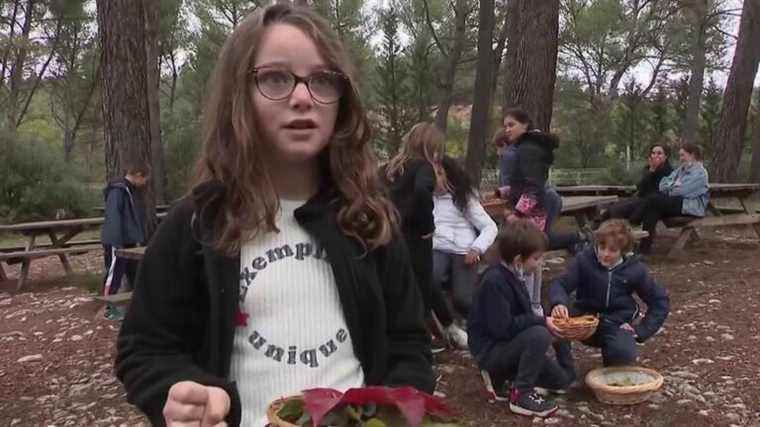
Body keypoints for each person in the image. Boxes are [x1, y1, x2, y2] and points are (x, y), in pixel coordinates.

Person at [115, 5, 434, 426]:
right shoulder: (197, 223)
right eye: (275, 78)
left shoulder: (368, 221)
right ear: (239, 94)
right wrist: (177, 392)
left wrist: (390, 414)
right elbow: (144, 349)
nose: (303, 97)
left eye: (321, 79)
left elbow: (410, 346)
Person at [468, 220, 573, 418]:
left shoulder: (515, 275)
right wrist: (543, 323)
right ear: (518, 260)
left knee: (561, 382)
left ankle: (506, 377)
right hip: (491, 350)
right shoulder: (494, 282)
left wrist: (558, 336)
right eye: (536, 258)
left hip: (510, 345)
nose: (539, 263)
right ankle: (520, 393)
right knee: (539, 334)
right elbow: (503, 328)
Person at [550, 219, 670, 370]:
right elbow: (560, 284)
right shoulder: (583, 260)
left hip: (616, 321)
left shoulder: (636, 269)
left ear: (623, 251)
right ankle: (565, 371)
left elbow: (659, 301)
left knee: (623, 354)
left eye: (612, 250)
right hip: (583, 317)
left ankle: (609, 371)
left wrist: (641, 330)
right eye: (602, 247)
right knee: (554, 319)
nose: (605, 254)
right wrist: (558, 303)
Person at [431, 156, 498, 349]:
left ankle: (484, 326)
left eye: (440, 174)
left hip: (463, 250)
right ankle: (449, 327)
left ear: (450, 176)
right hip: (438, 248)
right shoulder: (425, 196)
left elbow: (489, 227)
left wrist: (477, 248)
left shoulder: (464, 197)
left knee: (463, 298)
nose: (435, 178)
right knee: (431, 280)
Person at [383, 122, 447, 315]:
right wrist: (427, 226)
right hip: (415, 237)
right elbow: (421, 191)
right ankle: (423, 335)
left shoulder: (390, 168)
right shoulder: (423, 167)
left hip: (390, 234)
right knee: (420, 285)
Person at [630, 143, 709, 254]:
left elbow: (682, 191)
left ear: (692, 155)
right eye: (680, 156)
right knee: (652, 210)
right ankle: (644, 249)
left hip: (690, 206)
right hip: (678, 202)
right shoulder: (681, 170)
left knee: (653, 199)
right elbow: (662, 185)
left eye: (683, 155)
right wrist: (675, 185)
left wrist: (672, 187)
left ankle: (634, 220)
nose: (680, 159)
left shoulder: (700, 173)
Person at [101, 164, 149, 320]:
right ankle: (109, 309)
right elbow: (113, 216)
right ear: (138, 174)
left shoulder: (129, 190)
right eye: (145, 179)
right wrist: (116, 242)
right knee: (114, 275)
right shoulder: (118, 190)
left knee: (134, 273)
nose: (145, 183)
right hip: (116, 240)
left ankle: (138, 307)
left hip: (128, 241)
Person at [600, 143, 674, 222]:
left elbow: (661, 192)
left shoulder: (669, 172)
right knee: (610, 207)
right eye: (653, 153)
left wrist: (653, 172)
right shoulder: (648, 169)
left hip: (652, 204)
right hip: (641, 198)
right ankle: (596, 227)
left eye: (659, 153)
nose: (655, 156)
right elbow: (641, 189)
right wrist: (651, 171)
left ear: (665, 156)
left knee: (617, 210)